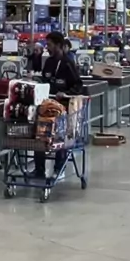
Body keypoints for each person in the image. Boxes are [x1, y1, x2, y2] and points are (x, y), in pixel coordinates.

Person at [34, 31, 83, 179]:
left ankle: (59, 168)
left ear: (59, 45)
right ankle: (39, 170)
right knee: (40, 137)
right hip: (46, 108)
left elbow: (78, 85)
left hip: (62, 108)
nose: (47, 48)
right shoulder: (48, 62)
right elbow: (45, 81)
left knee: (60, 138)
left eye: (49, 45)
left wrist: (66, 93)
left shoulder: (68, 63)